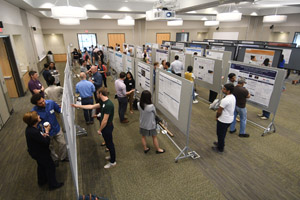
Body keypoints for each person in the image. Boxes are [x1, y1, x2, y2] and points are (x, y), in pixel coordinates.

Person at [72, 88, 116, 169]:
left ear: (101, 94)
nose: (96, 95)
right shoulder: (103, 102)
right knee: (107, 142)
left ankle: (113, 162)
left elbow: (105, 120)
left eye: (97, 93)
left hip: (107, 127)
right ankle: (111, 156)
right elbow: (91, 106)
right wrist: (77, 106)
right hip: (105, 127)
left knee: (110, 144)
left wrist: (100, 129)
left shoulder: (108, 105)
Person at [23, 111, 64, 190]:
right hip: (40, 153)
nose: (39, 116)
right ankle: (53, 185)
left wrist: (43, 135)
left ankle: (42, 181)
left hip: (35, 152)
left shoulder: (30, 129)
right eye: (37, 116)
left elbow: (39, 138)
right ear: (34, 120)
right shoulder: (34, 132)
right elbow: (46, 142)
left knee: (41, 166)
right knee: (50, 166)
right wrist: (47, 131)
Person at [31, 94, 68, 163]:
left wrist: (65, 109)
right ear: (36, 104)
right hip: (46, 132)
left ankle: (63, 157)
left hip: (56, 128)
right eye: (40, 103)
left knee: (63, 143)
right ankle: (55, 159)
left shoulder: (51, 103)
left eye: (43, 101)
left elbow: (59, 109)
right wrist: (42, 129)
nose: (43, 103)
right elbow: (35, 124)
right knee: (50, 147)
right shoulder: (34, 112)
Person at [212, 83, 236, 153]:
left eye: (224, 89)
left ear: (228, 91)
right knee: (223, 133)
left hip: (223, 120)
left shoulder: (225, 100)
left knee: (220, 134)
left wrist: (217, 117)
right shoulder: (233, 97)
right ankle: (220, 143)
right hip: (229, 119)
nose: (223, 90)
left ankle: (220, 148)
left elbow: (219, 111)